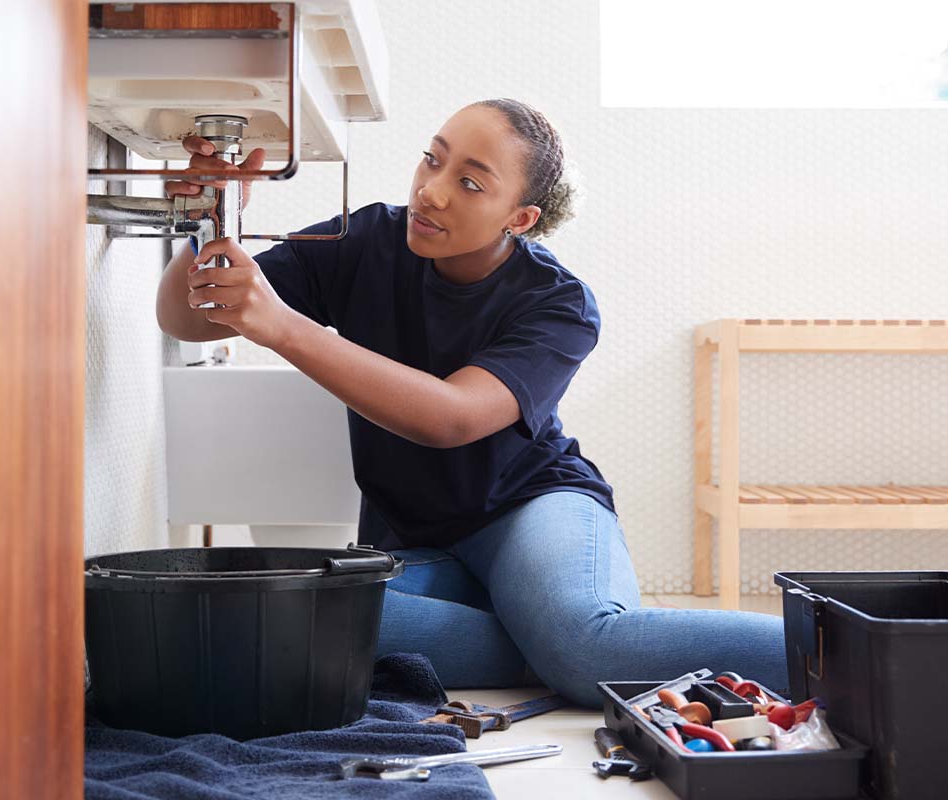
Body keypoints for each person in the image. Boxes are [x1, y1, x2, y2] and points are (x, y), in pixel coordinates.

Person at [156, 98, 788, 708]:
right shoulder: (369, 240)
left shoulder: (560, 303)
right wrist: (210, 216)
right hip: (415, 534)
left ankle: (840, 641)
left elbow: (450, 417)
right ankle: (541, 642)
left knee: (585, 647)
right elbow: (191, 318)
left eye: (472, 183)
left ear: (520, 219)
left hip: (530, 506)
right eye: (432, 160)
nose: (432, 191)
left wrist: (287, 328)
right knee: (281, 617)